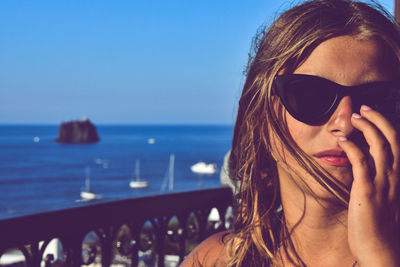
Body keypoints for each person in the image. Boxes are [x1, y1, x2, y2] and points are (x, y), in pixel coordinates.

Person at [180, 0, 400, 266]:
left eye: (376, 99)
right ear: (260, 117)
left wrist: (379, 256)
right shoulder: (215, 260)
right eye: (310, 95)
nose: (346, 123)